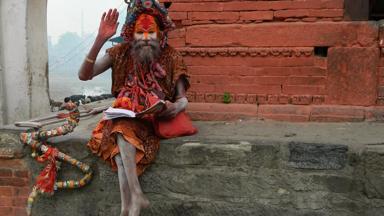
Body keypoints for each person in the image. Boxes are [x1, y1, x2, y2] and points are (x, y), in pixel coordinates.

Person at [77, 1, 190, 215]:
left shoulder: (172, 57)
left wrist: (173, 107)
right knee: (121, 140)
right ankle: (131, 204)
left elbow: (183, 99)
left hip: (154, 119)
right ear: (131, 34)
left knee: (121, 133)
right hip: (124, 116)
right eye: (140, 32)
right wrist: (100, 40)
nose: (146, 38)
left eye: (151, 32)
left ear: (160, 34)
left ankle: (131, 203)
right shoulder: (120, 52)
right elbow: (84, 75)